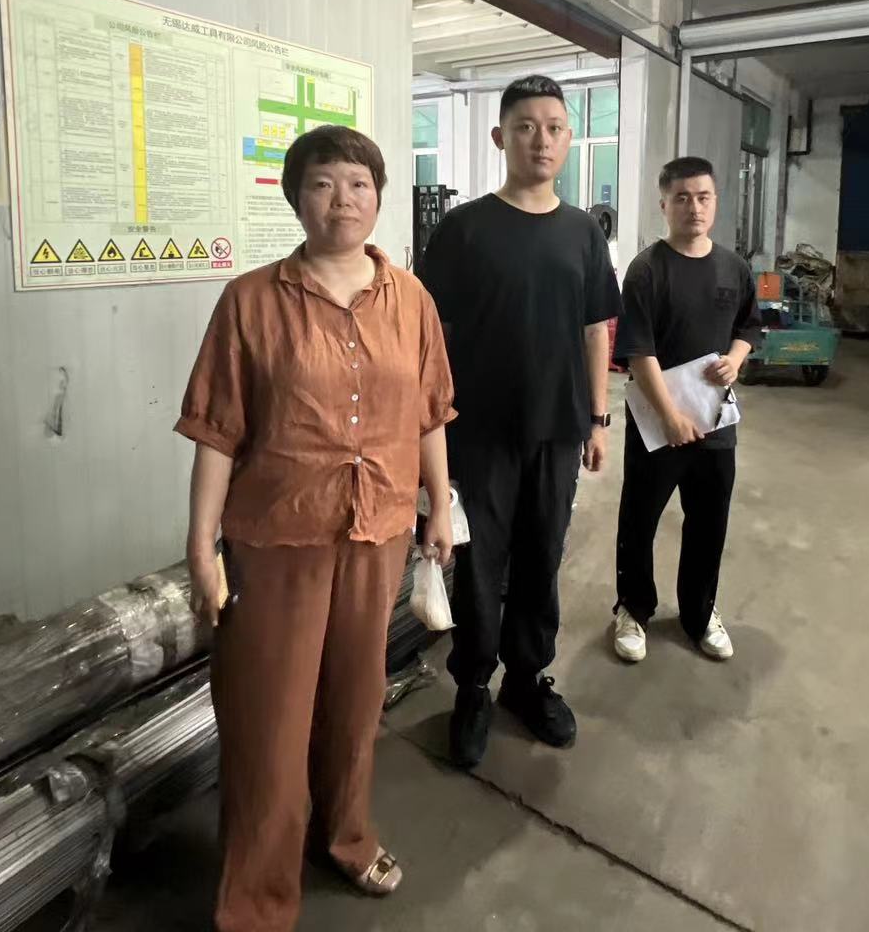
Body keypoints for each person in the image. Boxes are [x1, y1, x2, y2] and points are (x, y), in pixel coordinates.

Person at [176, 124, 456, 932]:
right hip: (277, 538)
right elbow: (216, 429)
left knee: (354, 702)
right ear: (296, 198)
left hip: (378, 530)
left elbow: (430, 412)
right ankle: (257, 898)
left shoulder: (411, 300)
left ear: (379, 197)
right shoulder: (251, 301)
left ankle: (346, 836)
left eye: (359, 185)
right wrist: (201, 544)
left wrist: (440, 505)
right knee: (267, 720)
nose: (343, 201)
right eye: (324, 184)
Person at [416, 74, 621, 769]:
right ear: (500, 137)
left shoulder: (583, 232)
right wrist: (430, 429)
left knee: (542, 556)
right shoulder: (464, 229)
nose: (542, 140)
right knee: (480, 563)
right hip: (478, 431)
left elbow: (595, 331)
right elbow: (433, 337)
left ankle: (527, 680)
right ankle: (473, 687)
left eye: (555, 128)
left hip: (558, 428)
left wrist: (597, 419)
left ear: (568, 139)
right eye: (526, 127)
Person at [610, 156, 759, 664]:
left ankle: (699, 612)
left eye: (703, 197)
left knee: (708, 523)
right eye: (682, 198)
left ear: (715, 202)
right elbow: (638, 350)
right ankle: (633, 608)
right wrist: (670, 416)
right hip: (657, 425)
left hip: (715, 424)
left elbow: (749, 326)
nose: (694, 207)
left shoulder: (733, 268)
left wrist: (736, 359)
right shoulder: (647, 270)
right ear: (664, 205)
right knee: (640, 520)